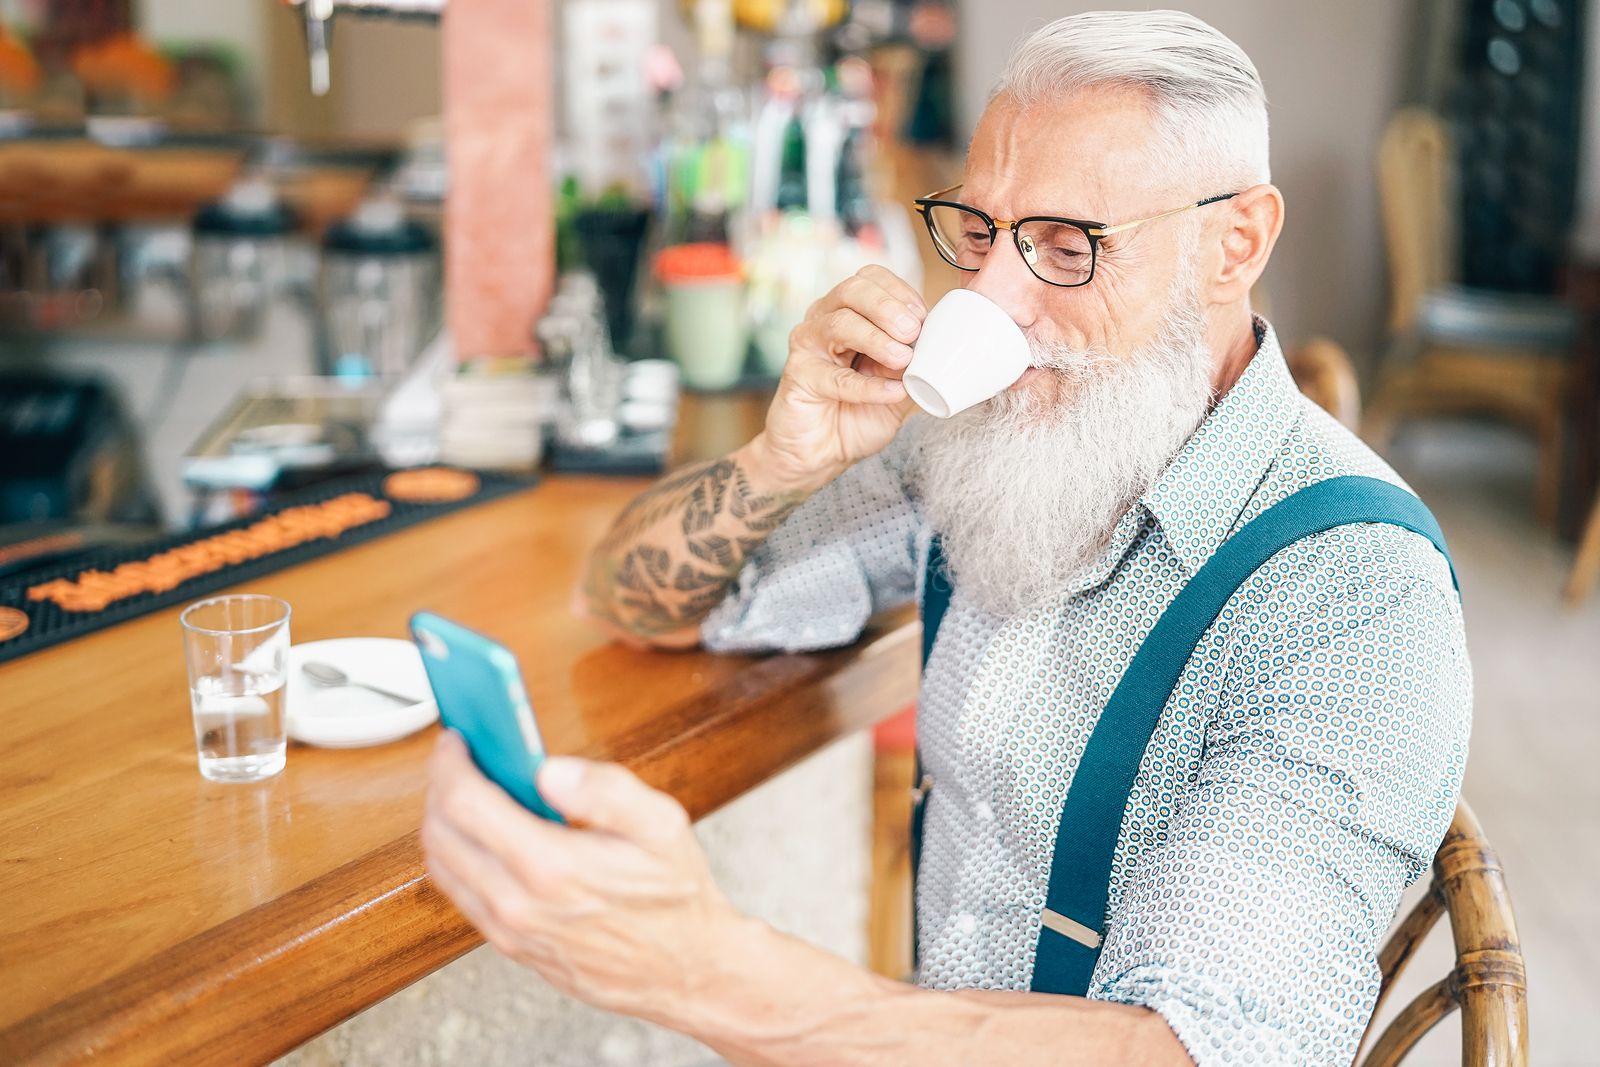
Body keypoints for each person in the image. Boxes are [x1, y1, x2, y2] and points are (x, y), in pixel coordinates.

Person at [422, 10, 1471, 1065]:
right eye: (977, 233)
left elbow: (1192, 1050)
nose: (992, 299)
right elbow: (626, 599)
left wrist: (702, 969)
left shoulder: (1358, 594)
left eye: (1066, 246)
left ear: (1232, 243)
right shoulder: (988, 443)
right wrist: (786, 458)